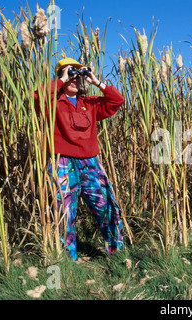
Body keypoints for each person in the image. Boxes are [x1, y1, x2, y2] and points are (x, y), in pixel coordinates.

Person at [34, 58, 125, 260]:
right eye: (70, 74)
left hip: (89, 163)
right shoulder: (53, 103)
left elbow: (117, 101)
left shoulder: (89, 103)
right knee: (64, 212)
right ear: (61, 76)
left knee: (107, 206)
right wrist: (62, 79)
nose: (76, 78)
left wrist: (97, 82)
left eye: (78, 74)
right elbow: (37, 98)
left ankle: (117, 253)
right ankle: (65, 258)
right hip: (62, 163)